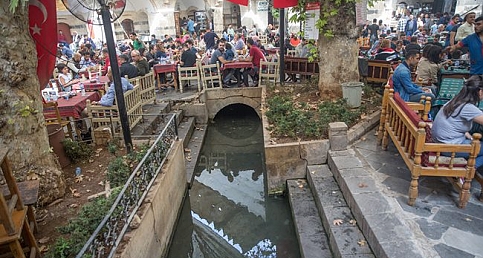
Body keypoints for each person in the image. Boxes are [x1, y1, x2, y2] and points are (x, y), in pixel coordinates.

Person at [431, 75, 483, 172]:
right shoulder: (468, 107)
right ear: (479, 92)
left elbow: (454, 123)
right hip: (448, 147)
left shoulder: (456, 101)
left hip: (440, 142)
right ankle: (469, 170)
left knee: (476, 141)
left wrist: (467, 134)